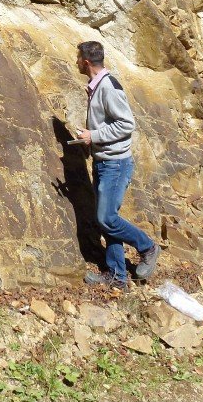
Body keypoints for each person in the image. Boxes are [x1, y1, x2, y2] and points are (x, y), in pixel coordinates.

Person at [75, 41, 160, 289]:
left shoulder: (108, 87)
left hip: (115, 164)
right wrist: (88, 140)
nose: (76, 63)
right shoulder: (97, 86)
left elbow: (126, 124)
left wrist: (94, 136)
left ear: (87, 62)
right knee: (107, 220)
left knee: (107, 218)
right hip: (104, 162)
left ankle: (148, 247)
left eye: (78, 59)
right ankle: (117, 276)